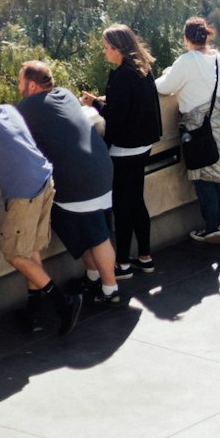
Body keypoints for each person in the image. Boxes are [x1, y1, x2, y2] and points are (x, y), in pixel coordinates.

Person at [0, 77, 81, 336]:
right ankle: (34, 310)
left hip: (24, 194)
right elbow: (2, 141)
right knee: (30, 249)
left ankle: (62, 301)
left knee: (15, 254)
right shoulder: (8, 110)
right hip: (45, 181)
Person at [17, 61, 121, 309]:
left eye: (20, 82)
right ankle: (94, 277)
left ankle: (110, 289)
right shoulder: (65, 94)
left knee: (97, 236)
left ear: (31, 85)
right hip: (101, 170)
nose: (18, 87)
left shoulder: (28, 107)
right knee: (72, 222)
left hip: (78, 182)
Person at [80, 24, 162, 279]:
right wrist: (106, 100)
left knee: (122, 207)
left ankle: (123, 263)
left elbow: (115, 119)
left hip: (124, 149)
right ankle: (145, 256)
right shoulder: (143, 70)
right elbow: (129, 103)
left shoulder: (120, 76)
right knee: (137, 201)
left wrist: (94, 103)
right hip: (143, 145)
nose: (104, 53)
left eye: (106, 48)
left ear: (118, 49)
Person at [155, 17, 220, 243]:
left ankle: (213, 226)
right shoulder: (217, 58)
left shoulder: (186, 60)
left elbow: (164, 87)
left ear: (186, 38)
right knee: (214, 174)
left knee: (202, 176)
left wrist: (167, 73)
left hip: (196, 126)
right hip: (218, 123)